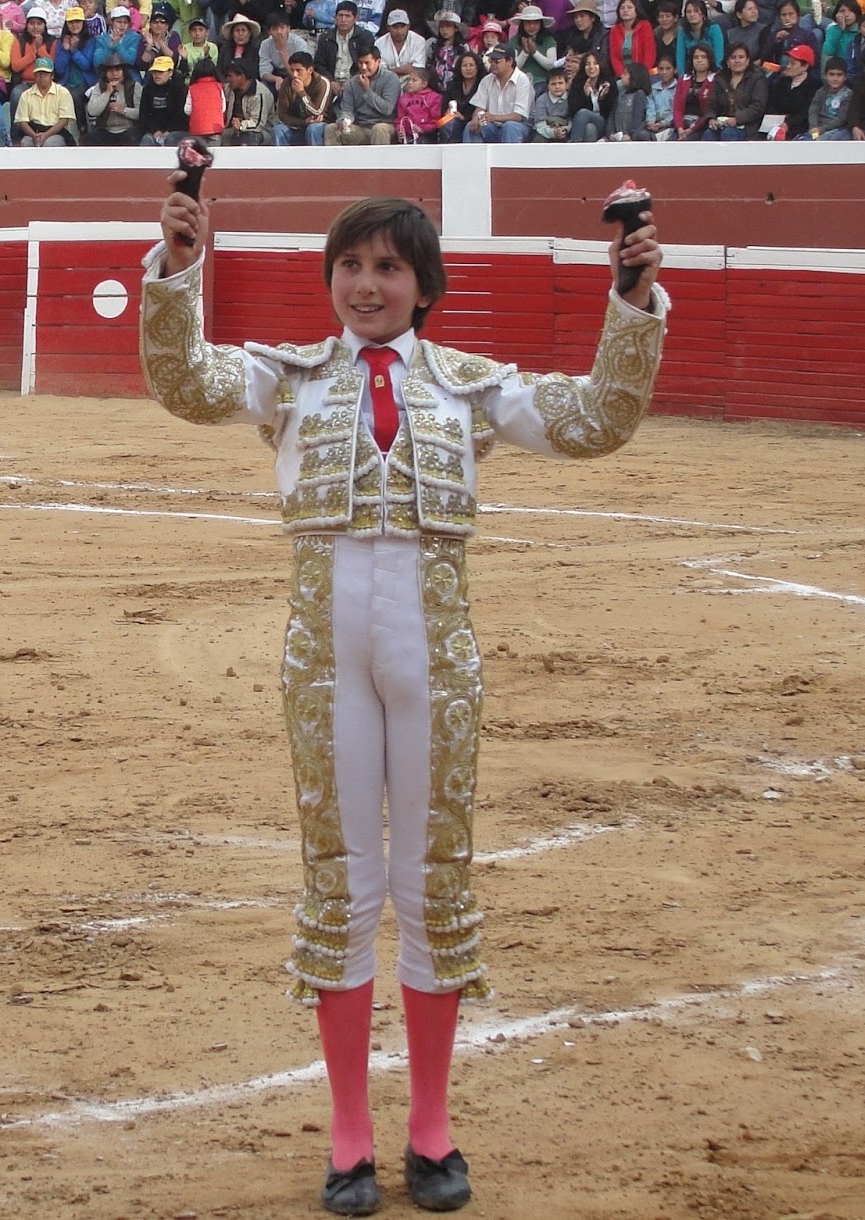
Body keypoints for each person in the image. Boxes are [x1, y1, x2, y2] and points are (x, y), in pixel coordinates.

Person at [142, 181, 666, 1220]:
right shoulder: (288, 376)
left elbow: (599, 420)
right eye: (350, 265)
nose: (365, 284)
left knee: (433, 885)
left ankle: (430, 1127)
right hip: (325, 665)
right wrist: (179, 268)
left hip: (435, 666)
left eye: (387, 267)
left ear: (423, 286)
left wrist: (632, 298)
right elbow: (186, 382)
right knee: (341, 885)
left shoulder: (471, 386)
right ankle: (350, 1134)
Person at [463, 42, 531, 138]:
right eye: (491, 60)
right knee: (471, 126)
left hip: (519, 126)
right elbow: (480, 107)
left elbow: (519, 116)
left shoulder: (522, 80)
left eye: (497, 61)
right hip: (493, 125)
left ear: (510, 61)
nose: (493, 64)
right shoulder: (487, 80)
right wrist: (475, 118)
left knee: (509, 126)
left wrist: (494, 117)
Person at [274, 47, 333, 141]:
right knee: (278, 130)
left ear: (310, 70)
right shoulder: (286, 83)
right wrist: (303, 122)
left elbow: (317, 112)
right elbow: (282, 115)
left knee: (313, 129)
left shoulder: (322, 83)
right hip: (297, 125)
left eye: (298, 70)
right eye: (292, 70)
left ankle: (315, 152)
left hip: (320, 125)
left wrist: (301, 92)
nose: (294, 75)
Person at [709, 40, 765, 137]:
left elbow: (758, 107)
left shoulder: (757, 79)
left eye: (741, 57)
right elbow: (712, 104)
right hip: (722, 124)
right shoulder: (720, 79)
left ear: (747, 61)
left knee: (728, 134)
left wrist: (737, 119)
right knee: (708, 134)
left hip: (748, 126)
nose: (737, 61)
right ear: (727, 61)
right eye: (733, 57)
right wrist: (711, 118)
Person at [15, 52, 76, 140]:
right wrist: (34, 136)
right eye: (39, 73)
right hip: (32, 132)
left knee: (50, 143)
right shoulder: (26, 95)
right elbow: (22, 121)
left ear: (52, 76)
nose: (42, 76)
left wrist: (45, 135)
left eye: (46, 73)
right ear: (35, 75)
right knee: (26, 142)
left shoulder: (63, 93)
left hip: (56, 132)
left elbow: (64, 120)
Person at [315, 0, 375, 85]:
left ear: (355, 19)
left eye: (347, 16)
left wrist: (352, 82)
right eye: (340, 15)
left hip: (356, 81)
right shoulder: (325, 37)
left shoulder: (365, 37)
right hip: (331, 81)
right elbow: (319, 64)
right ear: (335, 17)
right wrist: (330, 81)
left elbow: (367, 63)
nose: (343, 20)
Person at [87, 53, 142, 139]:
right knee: (89, 139)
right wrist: (107, 93)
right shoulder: (100, 86)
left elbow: (141, 113)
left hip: (128, 129)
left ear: (123, 72)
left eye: (118, 70)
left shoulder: (134, 86)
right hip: (105, 130)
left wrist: (124, 110)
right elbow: (92, 111)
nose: (114, 74)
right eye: (110, 71)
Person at [566, 45, 614, 138]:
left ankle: (573, 144)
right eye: (588, 64)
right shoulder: (578, 82)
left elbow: (610, 112)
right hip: (583, 124)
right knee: (590, 129)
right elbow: (573, 111)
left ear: (600, 65)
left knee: (583, 113)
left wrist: (602, 99)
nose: (591, 67)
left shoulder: (609, 82)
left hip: (604, 123)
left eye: (595, 63)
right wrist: (585, 95)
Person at [137, 51, 187, 141]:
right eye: (154, 72)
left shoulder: (179, 88)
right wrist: (154, 130)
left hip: (176, 130)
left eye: (161, 72)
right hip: (154, 132)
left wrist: (169, 131)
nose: (156, 74)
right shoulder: (147, 89)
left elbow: (181, 114)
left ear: (170, 72)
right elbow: (144, 115)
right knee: (147, 139)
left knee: (171, 139)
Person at [508, 3, 559, 86]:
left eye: (536, 23)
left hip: (543, 81)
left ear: (541, 24)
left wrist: (535, 52)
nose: (532, 26)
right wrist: (525, 52)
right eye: (528, 22)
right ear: (522, 24)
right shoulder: (514, 41)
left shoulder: (549, 40)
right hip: (519, 81)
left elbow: (552, 66)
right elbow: (511, 67)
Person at [439, 46, 482, 138]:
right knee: (448, 123)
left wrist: (463, 118)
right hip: (454, 122)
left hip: (474, 124)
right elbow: (444, 107)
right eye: (464, 66)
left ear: (477, 67)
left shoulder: (483, 84)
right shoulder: (452, 85)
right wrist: (448, 113)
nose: (468, 68)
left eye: (471, 65)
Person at [807, 50, 852, 135]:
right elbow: (813, 111)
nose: (835, 78)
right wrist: (814, 127)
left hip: (838, 129)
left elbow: (841, 119)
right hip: (817, 128)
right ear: (825, 75)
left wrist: (822, 129)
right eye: (831, 74)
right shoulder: (820, 92)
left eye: (839, 75)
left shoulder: (848, 94)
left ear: (845, 77)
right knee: (802, 140)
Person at [423, 8, 465, 88]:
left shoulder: (463, 48)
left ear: (456, 28)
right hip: (434, 86)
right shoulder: (432, 45)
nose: (444, 30)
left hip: (455, 87)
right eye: (442, 27)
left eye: (448, 26)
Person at [676, 0, 721, 72]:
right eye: (688, 12)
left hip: (712, 71)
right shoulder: (683, 32)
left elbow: (719, 56)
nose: (692, 14)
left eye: (696, 11)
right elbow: (680, 59)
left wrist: (718, 75)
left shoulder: (714, 29)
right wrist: (682, 77)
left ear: (703, 14)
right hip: (691, 71)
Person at [609, 0, 653, 72]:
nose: (625, 10)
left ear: (637, 10)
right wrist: (622, 74)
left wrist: (642, 73)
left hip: (643, 73)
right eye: (622, 8)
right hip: (623, 74)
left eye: (629, 7)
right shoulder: (615, 30)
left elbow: (650, 54)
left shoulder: (645, 26)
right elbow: (614, 57)